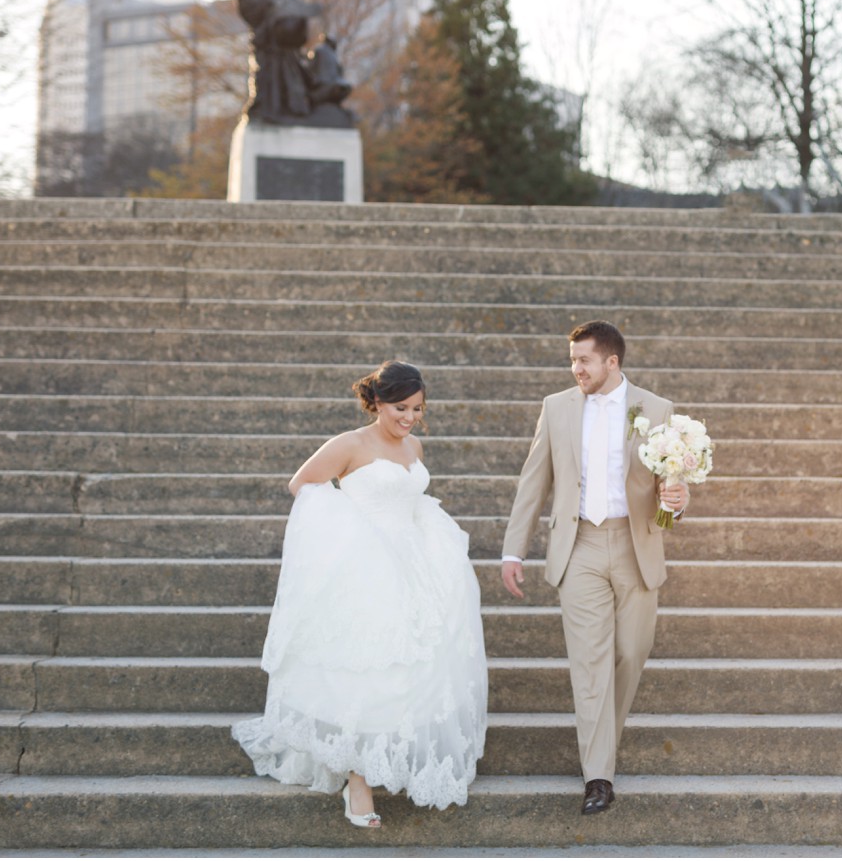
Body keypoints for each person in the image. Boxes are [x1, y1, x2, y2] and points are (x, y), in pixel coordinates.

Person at [233, 361, 487, 827]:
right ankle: (358, 780)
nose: (408, 418)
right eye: (399, 408)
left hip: (417, 565)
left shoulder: (415, 445)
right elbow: (302, 485)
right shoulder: (350, 444)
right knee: (369, 670)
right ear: (376, 403)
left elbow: (410, 500)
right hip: (367, 566)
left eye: (416, 408)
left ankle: (389, 759)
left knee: (415, 668)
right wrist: (350, 535)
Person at [499, 321, 690, 815]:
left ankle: (603, 740)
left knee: (631, 651)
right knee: (589, 663)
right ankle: (598, 775)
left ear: (612, 362)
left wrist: (678, 498)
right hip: (579, 544)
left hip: (634, 545)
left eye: (583, 360)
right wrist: (513, 550)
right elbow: (533, 481)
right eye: (572, 360)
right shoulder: (556, 408)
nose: (575, 369)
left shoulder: (657, 410)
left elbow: (668, 503)